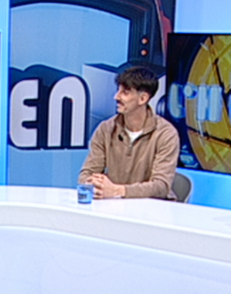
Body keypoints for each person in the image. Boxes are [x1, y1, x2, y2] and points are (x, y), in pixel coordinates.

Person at [77, 66, 180, 200]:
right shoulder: (106, 129)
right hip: (114, 205)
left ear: (142, 99)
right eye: (118, 90)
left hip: (152, 207)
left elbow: (161, 186)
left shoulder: (166, 134)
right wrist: (93, 183)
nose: (116, 97)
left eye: (125, 93)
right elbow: (87, 173)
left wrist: (118, 190)